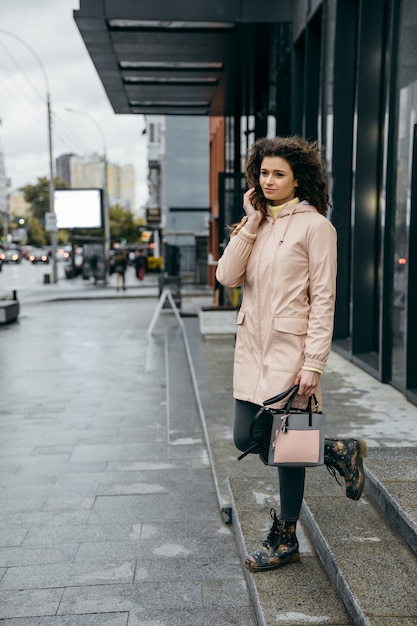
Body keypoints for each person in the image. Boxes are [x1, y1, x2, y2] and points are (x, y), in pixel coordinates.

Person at [216, 135, 367, 573]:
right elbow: (227, 276)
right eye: (263, 173)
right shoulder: (256, 224)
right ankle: (338, 450)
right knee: (247, 437)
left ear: (297, 178)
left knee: (289, 448)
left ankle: (285, 538)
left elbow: (324, 300)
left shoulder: (316, 227)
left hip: (290, 352)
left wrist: (314, 364)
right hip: (251, 350)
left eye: (278, 173)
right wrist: (248, 223)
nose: (269, 180)